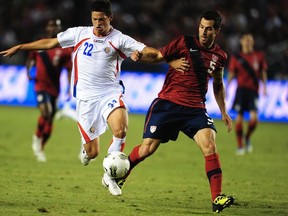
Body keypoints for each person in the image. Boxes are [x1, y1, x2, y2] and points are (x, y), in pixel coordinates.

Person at [1, 0, 179, 194]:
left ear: (110, 18)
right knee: (92, 152)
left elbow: (148, 52)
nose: (98, 23)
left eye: (102, 19)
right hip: (85, 100)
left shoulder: (119, 39)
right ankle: (88, 152)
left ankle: (110, 176)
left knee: (120, 130)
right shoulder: (79, 33)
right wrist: (21, 47)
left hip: (110, 93)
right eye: (94, 19)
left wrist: (149, 56)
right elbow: (50, 42)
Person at [109, 10, 235, 213]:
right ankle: (118, 177)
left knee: (210, 145)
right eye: (201, 27)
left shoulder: (220, 56)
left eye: (209, 28)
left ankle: (217, 198)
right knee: (147, 149)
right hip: (168, 104)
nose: (203, 32)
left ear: (217, 31)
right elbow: (159, 55)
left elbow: (218, 83)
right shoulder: (185, 42)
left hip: (195, 108)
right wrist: (143, 57)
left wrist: (224, 111)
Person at [25, 18, 73, 162]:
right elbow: (30, 59)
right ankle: (36, 137)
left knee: (50, 119)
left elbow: (69, 70)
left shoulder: (64, 49)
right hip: (40, 85)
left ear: (60, 29)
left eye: (56, 26)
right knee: (46, 112)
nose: (53, 29)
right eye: (51, 26)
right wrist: (28, 73)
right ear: (47, 28)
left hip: (54, 88)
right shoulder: (40, 44)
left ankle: (41, 147)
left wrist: (69, 88)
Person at [227, 32, 267, 155]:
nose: (248, 42)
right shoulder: (236, 57)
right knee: (239, 118)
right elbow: (232, 73)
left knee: (254, 119)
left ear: (253, 42)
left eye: (250, 39)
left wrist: (264, 86)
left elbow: (262, 72)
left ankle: (247, 137)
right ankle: (240, 145)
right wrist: (227, 87)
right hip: (241, 90)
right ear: (241, 42)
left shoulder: (259, 56)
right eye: (245, 39)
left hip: (253, 91)